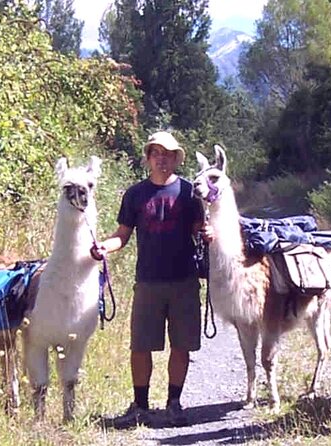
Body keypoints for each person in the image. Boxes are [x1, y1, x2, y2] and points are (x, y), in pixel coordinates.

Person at [94, 131, 212, 429]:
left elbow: (202, 231)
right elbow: (122, 235)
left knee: (181, 345)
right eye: (156, 153)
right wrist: (103, 248)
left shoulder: (189, 193)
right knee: (141, 345)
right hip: (147, 281)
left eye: (167, 153)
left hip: (184, 281)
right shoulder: (135, 195)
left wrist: (213, 235)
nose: (162, 158)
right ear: (148, 158)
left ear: (175, 159)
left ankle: (174, 404)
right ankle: (140, 407)